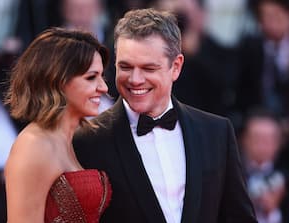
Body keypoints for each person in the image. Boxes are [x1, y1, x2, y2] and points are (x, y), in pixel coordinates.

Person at [74, 8, 258, 223]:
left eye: (148, 68)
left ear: (176, 67)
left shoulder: (216, 132)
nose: (135, 79)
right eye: (125, 67)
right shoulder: (87, 140)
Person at [4, 27, 112, 223]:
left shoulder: (74, 139)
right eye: (91, 77)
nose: (103, 87)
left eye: (101, 76)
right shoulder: (33, 146)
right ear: (57, 80)